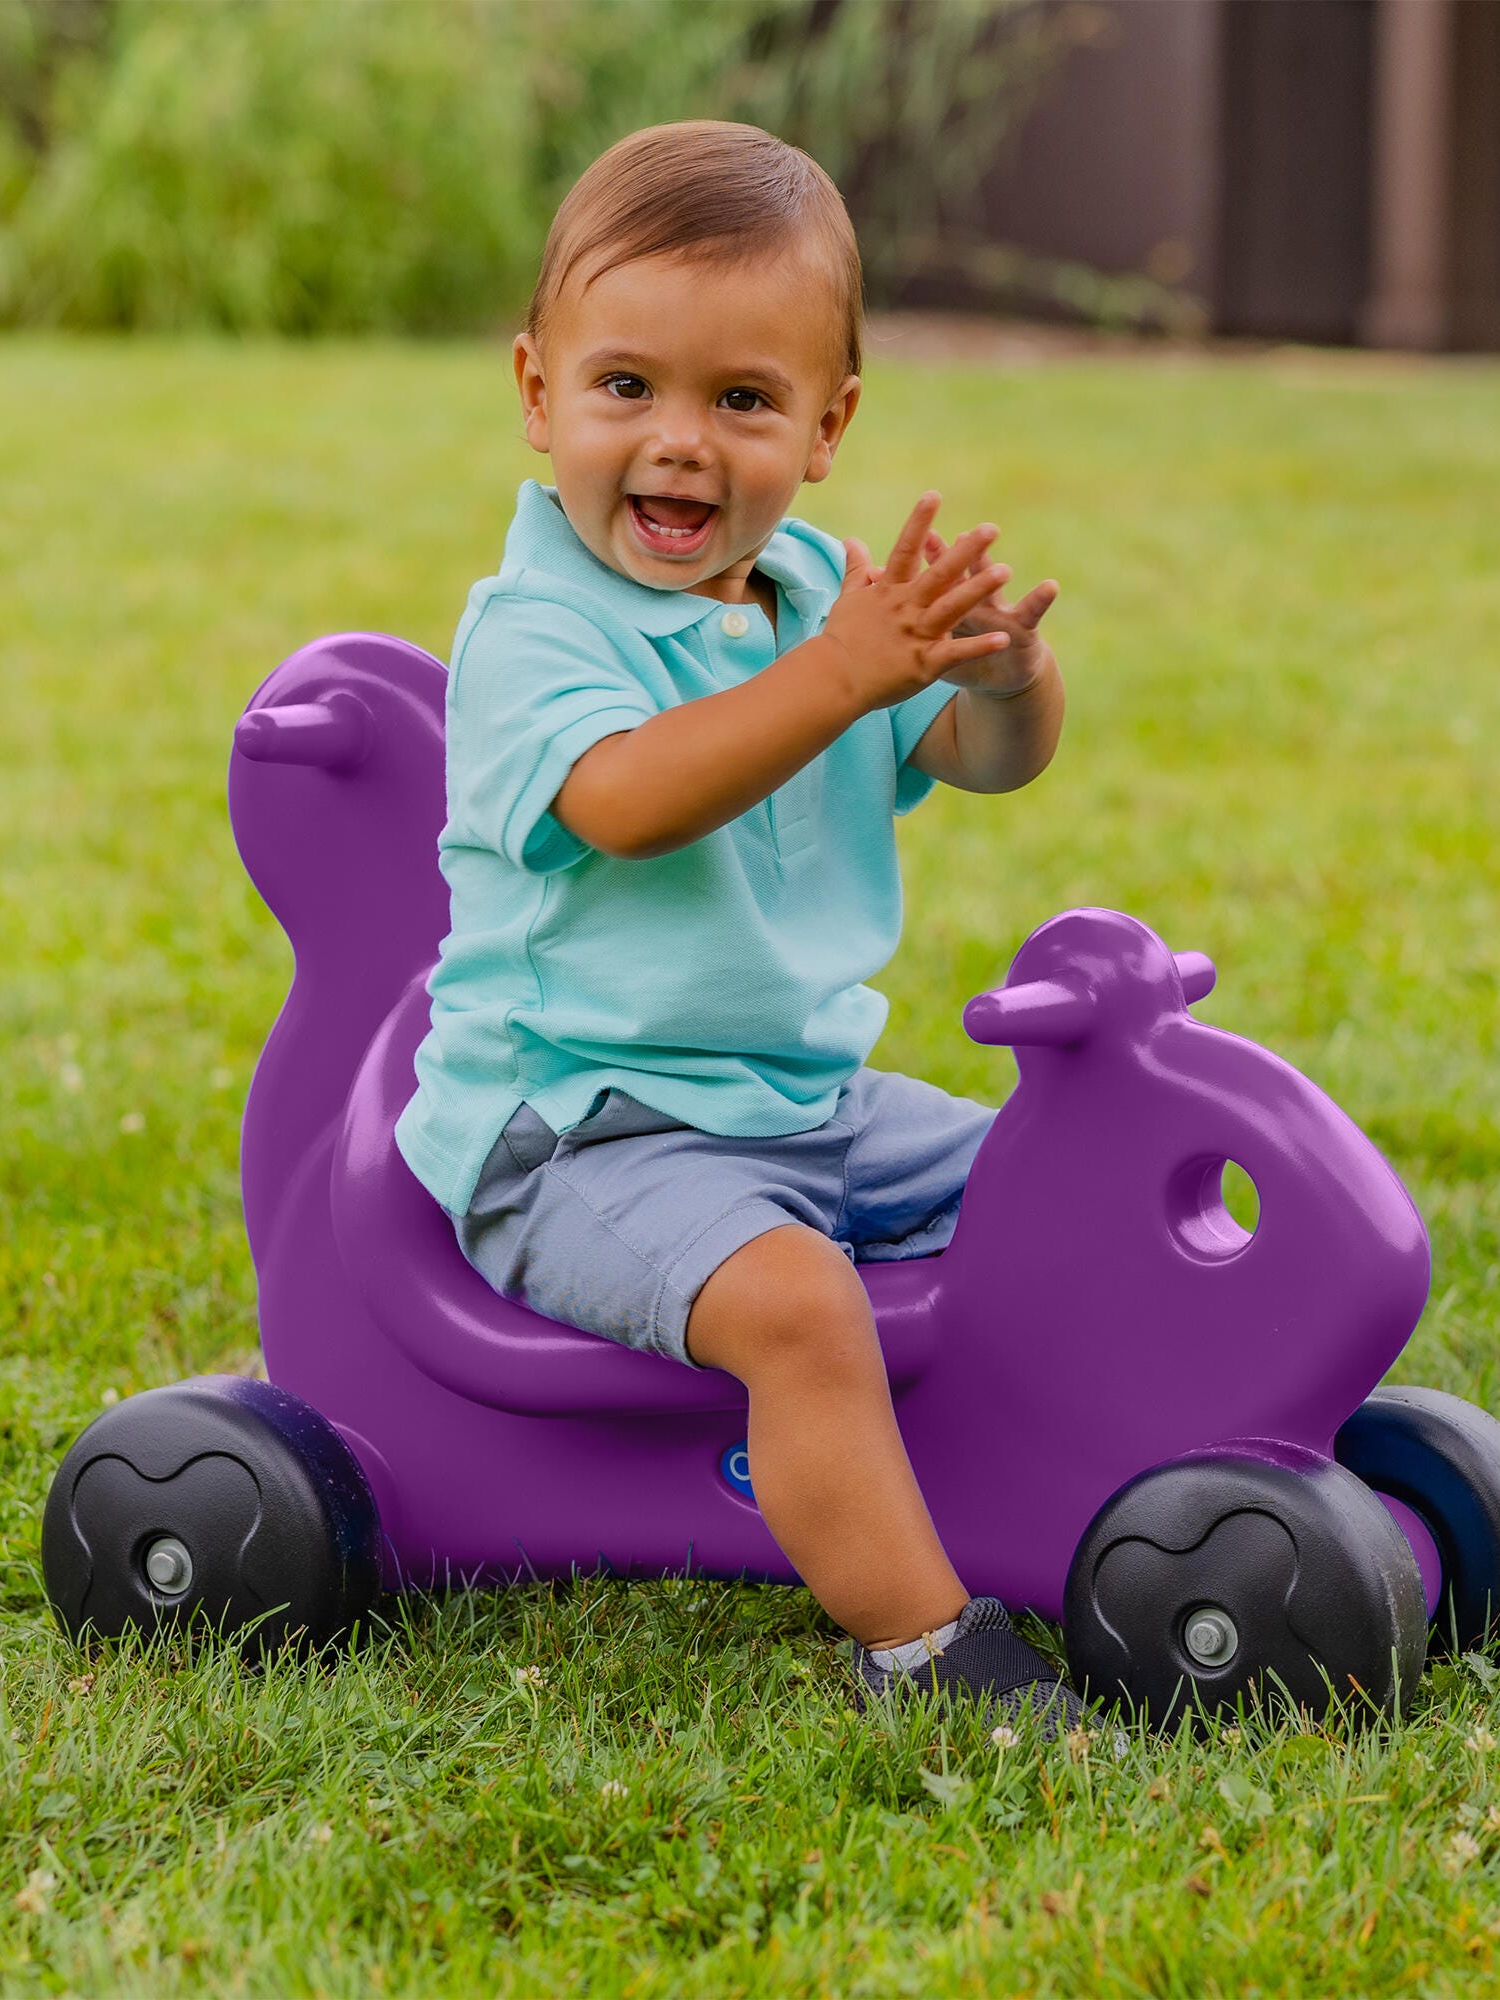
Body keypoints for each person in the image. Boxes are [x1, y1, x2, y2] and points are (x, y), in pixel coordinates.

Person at [397, 120, 1085, 1731]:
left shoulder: (822, 597)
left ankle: (1077, 1478)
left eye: (744, 401)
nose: (681, 445)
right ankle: (926, 1656)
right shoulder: (534, 630)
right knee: (797, 1305)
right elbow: (630, 800)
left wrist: (1004, 678)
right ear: (537, 393)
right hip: (580, 1128)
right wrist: (843, 675)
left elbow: (982, 759)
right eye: (627, 386)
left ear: (828, 425)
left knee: (1058, 1194)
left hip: (801, 1102)